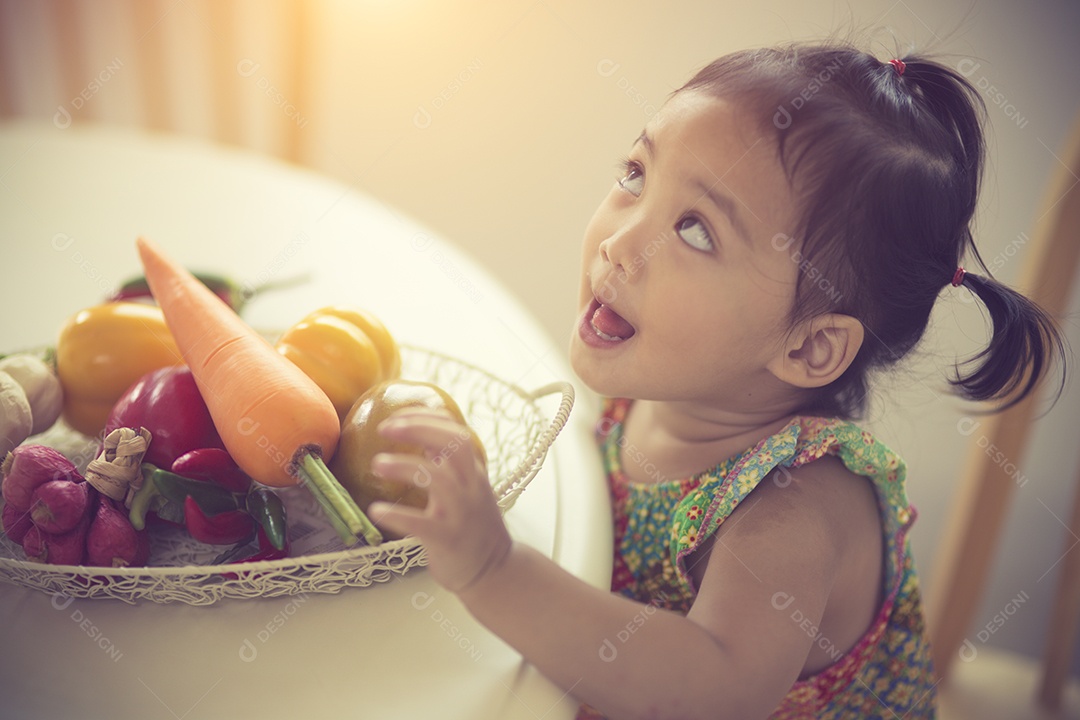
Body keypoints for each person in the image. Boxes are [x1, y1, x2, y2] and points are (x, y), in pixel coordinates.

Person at [368, 41, 1067, 719]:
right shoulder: (669, 384)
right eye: (635, 176)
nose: (620, 243)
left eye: (695, 231)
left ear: (811, 346)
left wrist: (495, 569)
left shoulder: (796, 510)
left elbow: (714, 691)